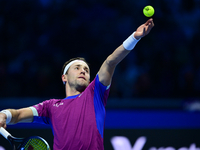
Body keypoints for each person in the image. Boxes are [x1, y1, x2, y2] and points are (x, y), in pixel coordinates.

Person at [0, 18, 154, 150]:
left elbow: (110, 61)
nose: (83, 71)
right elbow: (19, 114)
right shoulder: (50, 106)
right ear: (64, 77)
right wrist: (3, 115)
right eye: (77, 68)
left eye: (86, 70)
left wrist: (135, 37)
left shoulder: (95, 94)